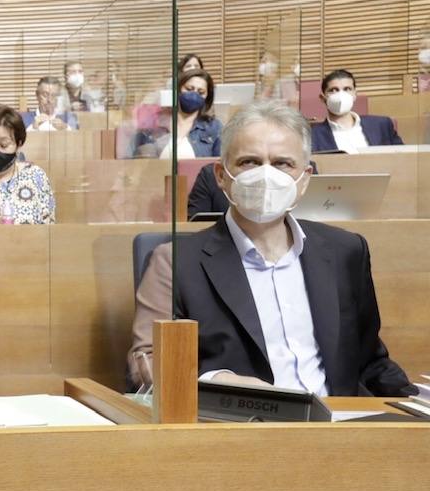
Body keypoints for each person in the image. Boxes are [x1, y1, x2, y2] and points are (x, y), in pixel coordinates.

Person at [129, 101, 414, 396]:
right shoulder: (175, 262)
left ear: (304, 180)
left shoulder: (346, 251)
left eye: (282, 163)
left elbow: (370, 361)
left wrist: (416, 405)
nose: (266, 176)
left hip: (340, 426)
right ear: (221, 176)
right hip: (242, 428)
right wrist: (218, 383)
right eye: (249, 162)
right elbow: (147, 365)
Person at [311, 69, 403, 153]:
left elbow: (404, 159)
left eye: (347, 89)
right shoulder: (312, 136)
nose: (341, 95)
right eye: (333, 90)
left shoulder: (382, 126)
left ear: (355, 95)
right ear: (323, 98)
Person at [149, 68, 222, 160]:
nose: (194, 95)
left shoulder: (214, 127)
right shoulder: (157, 122)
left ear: (207, 97)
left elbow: (220, 165)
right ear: (179, 90)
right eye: (189, 89)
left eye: (201, 92)